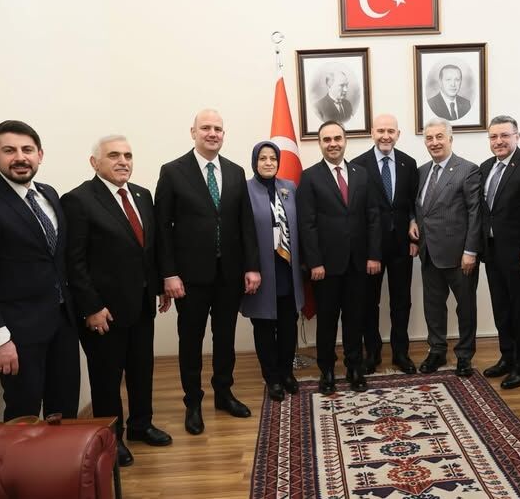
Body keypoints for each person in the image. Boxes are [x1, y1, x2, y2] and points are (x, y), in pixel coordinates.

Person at [0, 120, 79, 420]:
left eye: (27, 150)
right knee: (24, 417)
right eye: (9, 150)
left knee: (65, 412)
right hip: (17, 333)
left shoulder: (49, 194)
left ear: (40, 155)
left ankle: (61, 454)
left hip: (62, 324)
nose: (20, 157)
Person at [62, 135, 173, 467]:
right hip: (104, 311)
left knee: (142, 370)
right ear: (94, 162)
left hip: (141, 304)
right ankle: (113, 439)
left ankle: (141, 425)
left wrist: (159, 286)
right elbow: (74, 262)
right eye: (113, 155)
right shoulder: (78, 200)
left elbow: (148, 248)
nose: (123, 161)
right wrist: (91, 307)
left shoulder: (141, 194)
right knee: (107, 379)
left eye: (127, 155)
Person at [155, 109, 261, 435]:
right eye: (206, 128)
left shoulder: (235, 171)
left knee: (225, 338)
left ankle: (224, 394)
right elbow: (162, 228)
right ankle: (193, 403)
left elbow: (246, 225)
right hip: (190, 278)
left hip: (229, 274)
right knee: (191, 340)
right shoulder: (173, 172)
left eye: (218, 128)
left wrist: (252, 266)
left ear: (223, 134)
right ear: (193, 132)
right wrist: (168, 274)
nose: (212, 133)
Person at [297, 120, 381, 395]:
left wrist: (373, 255)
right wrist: (315, 262)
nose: (333, 144)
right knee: (327, 321)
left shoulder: (361, 174)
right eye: (327, 139)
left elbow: (373, 217)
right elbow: (307, 224)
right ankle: (328, 371)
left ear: (345, 141)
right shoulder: (310, 177)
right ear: (320, 143)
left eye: (337, 138)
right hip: (326, 266)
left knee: (355, 319)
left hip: (358, 263)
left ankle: (355, 368)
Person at [409, 117, 481, 376]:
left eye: (439, 137)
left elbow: (475, 213)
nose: (434, 142)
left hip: (460, 255)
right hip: (429, 253)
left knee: (466, 308)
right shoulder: (421, 172)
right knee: (433, 307)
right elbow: (415, 206)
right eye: (429, 138)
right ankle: (437, 351)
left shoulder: (468, 170)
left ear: (450, 138)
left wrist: (470, 252)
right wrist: (411, 221)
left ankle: (464, 356)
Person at [479, 116, 520, 389]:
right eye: (494, 136)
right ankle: (507, 357)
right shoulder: (486, 167)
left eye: (504, 135)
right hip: (493, 252)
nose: (499, 141)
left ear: (517, 136)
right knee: (502, 309)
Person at [351, 114, 419, 375]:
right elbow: (357, 211)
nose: (385, 136)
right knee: (369, 302)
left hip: (402, 245)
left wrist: (414, 233)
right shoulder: (358, 166)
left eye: (391, 131)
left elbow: (413, 204)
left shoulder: (408, 163)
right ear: (372, 133)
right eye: (381, 131)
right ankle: (373, 352)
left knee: (402, 302)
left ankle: (401, 353)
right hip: (372, 248)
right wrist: (368, 249)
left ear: (398, 134)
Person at [240, 141, 304, 401]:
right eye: (263, 158)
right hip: (261, 271)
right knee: (264, 326)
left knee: (288, 326)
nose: (268, 162)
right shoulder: (244, 189)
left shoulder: (289, 187)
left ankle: (287, 372)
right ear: (254, 161)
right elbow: (242, 233)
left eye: (273, 158)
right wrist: (249, 267)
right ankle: (272, 377)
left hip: (287, 269)